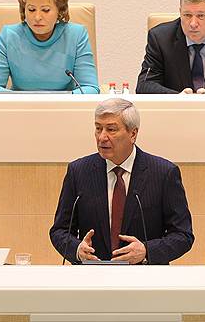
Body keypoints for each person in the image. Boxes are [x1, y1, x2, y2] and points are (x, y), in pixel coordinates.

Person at [50, 98, 194, 264]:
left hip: (144, 275)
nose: (102, 137)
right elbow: (59, 230)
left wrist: (146, 251)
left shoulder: (164, 173)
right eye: (98, 128)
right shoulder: (78, 171)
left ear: (133, 134)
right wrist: (77, 249)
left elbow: (183, 235)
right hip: (92, 274)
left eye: (111, 129)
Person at [0, 0, 99, 93]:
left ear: (60, 10)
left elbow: (90, 88)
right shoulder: (8, 36)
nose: (37, 17)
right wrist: (23, 101)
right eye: (31, 9)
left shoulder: (76, 35)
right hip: (19, 105)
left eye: (45, 10)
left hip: (64, 105)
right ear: (23, 9)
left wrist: (56, 101)